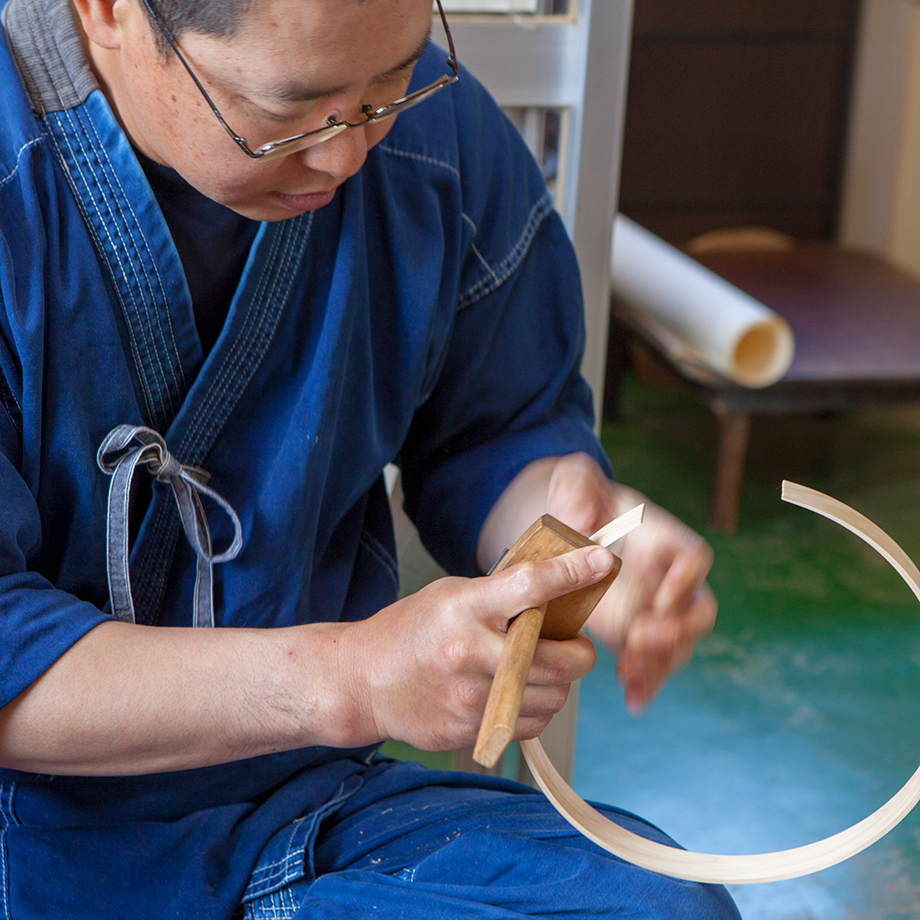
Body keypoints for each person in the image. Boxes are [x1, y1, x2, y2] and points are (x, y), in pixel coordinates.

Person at [0, 0, 740, 917]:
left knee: (656, 904)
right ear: (108, 13)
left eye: (392, 82)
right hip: (26, 828)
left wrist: (562, 520)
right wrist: (348, 680)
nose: (347, 156)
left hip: (292, 807)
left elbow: (496, 427)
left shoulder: (435, 149)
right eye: (284, 109)